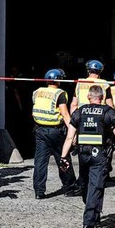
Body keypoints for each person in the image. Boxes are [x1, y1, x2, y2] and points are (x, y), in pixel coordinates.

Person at [61, 85, 115, 228]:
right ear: (102, 98)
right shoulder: (109, 112)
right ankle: (89, 223)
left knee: (87, 185)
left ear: (88, 97)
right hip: (100, 156)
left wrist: (63, 156)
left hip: (83, 156)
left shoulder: (79, 112)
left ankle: (91, 218)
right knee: (95, 187)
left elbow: (70, 137)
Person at [31, 69, 80, 199]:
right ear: (58, 80)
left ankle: (39, 191)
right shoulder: (60, 93)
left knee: (40, 161)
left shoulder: (37, 92)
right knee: (63, 158)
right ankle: (70, 187)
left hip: (40, 130)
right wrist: (72, 131)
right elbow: (64, 113)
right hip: (55, 131)